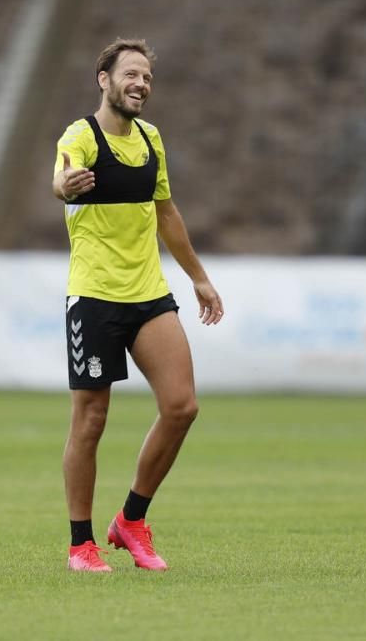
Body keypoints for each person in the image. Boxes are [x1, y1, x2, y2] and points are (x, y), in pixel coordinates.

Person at [52, 38, 223, 572]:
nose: (140, 83)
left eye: (147, 77)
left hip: (149, 294)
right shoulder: (80, 136)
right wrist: (64, 185)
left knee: (182, 406)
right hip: (95, 296)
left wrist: (199, 278)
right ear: (103, 79)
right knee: (91, 419)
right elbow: (60, 177)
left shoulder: (151, 140)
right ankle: (82, 544)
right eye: (130, 73)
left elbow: (167, 214)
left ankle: (131, 520)